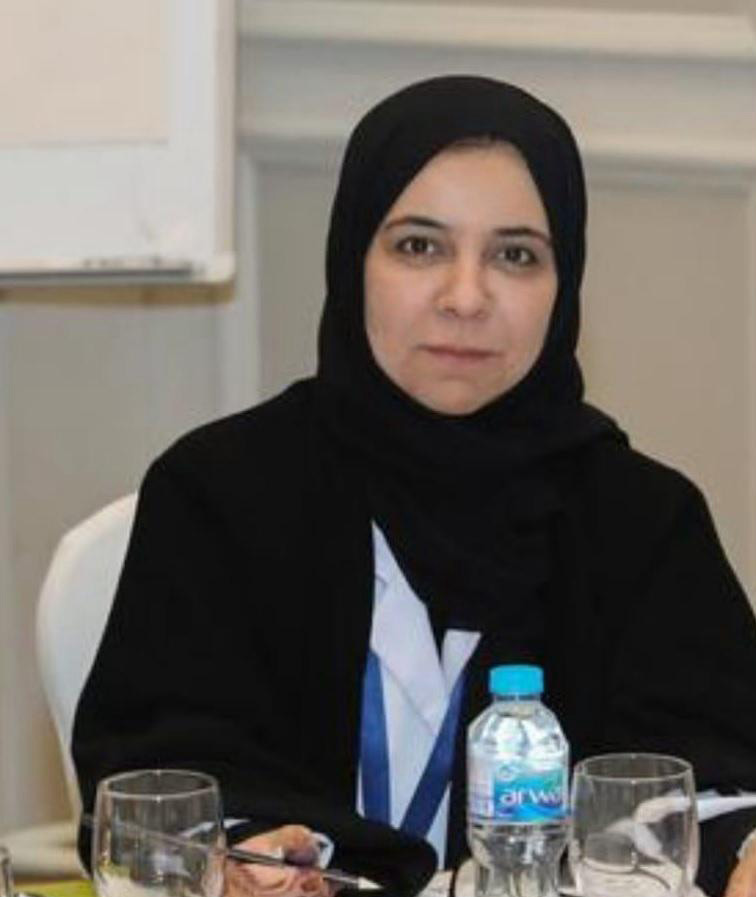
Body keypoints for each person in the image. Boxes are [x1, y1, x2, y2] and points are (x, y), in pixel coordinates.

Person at [73, 76, 756, 897]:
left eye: (515, 255)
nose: (465, 297)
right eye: (419, 247)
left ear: (564, 281)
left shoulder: (642, 522)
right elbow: (157, 783)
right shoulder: (220, 495)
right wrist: (253, 854)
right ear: (352, 259)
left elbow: (710, 789)